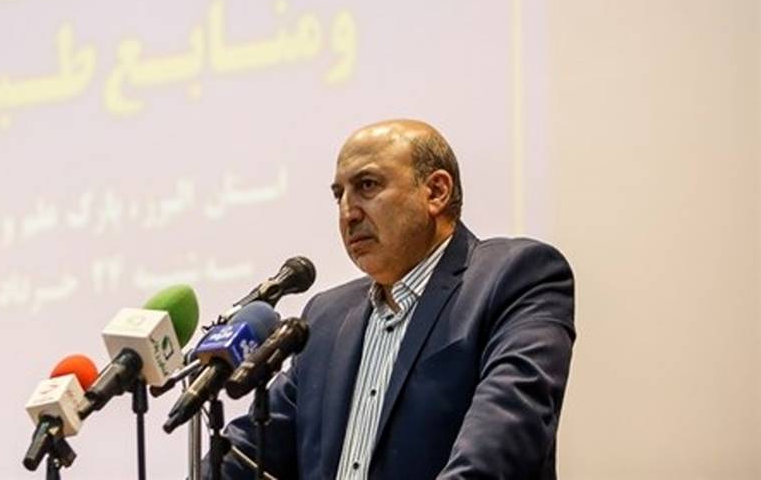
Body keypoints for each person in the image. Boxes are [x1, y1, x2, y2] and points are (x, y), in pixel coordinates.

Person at [210, 119, 575, 480]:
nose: (348, 213)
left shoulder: (516, 278)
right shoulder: (325, 318)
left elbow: (499, 445)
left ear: (436, 192)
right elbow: (248, 454)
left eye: (367, 186)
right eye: (339, 195)